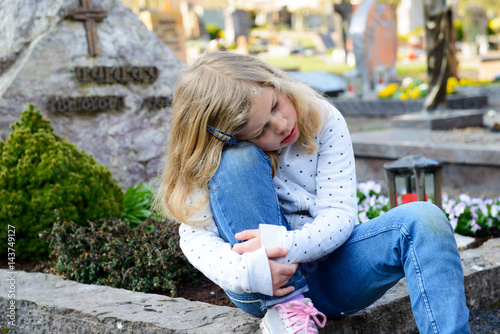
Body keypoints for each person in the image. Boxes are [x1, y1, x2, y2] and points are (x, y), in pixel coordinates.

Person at [155, 51, 470, 334]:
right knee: (238, 161)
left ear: (276, 82)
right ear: (230, 135)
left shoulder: (324, 119)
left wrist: (285, 244)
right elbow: (194, 236)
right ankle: (286, 311)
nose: (280, 124)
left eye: (276, 105)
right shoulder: (222, 154)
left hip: (333, 272)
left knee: (424, 218)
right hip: (264, 286)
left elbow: (339, 215)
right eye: (259, 130)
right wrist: (245, 272)